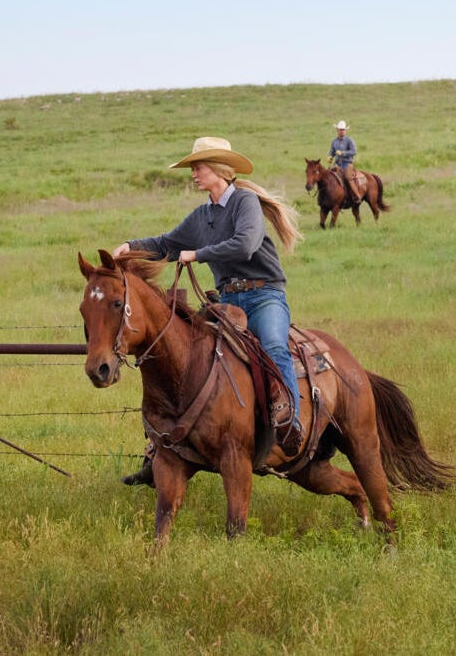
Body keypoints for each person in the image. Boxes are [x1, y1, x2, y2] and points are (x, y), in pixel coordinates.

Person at [113, 136, 304, 484]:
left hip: (264, 297)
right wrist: (130, 246)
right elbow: (166, 244)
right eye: (193, 168)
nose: (193, 174)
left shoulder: (245, 202)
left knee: (275, 345)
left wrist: (197, 255)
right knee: (185, 354)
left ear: (218, 170)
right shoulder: (202, 216)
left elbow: (245, 245)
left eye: (198, 167)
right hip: (227, 302)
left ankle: (291, 422)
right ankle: (159, 451)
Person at [328, 120, 362, 206]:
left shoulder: (349, 140)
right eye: (340, 129)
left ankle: (358, 196)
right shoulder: (334, 141)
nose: (341, 131)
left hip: (347, 163)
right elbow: (331, 151)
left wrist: (343, 153)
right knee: (328, 175)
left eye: (343, 129)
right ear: (337, 130)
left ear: (345, 130)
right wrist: (330, 157)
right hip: (338, 164)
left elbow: (354, 151)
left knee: (347, 177)